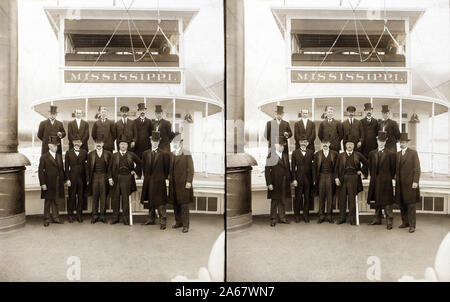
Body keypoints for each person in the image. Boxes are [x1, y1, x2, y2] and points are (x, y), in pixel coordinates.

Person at [141, 131, 171, 229]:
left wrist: (165, 178)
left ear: (159, 142)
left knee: (161, 202)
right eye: (153, 141)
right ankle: (151, 219)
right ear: (150, 141)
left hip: (159, 181)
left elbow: (167, 168)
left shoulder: (164, 154)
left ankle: (163, 221)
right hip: (149, 181)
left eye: (156, 141)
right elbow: (144, 167)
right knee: (150, 200)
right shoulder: (145, 153)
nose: (155, 142)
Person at [367, 131, 397, 230]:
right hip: (375, 180)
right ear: (377, 141)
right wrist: (374, 177)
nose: (381, 143)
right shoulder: (372, 153)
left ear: (385, 142)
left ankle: (389, 220)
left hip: (386, 181)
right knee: (377, 199)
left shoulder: (390, 154)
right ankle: (377, 218)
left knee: (387, 202)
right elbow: (370, 167)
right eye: (379, 141)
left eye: (383, 141)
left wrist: (388, 177)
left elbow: (393, 169)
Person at [109, 135, 141, 225]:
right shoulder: (114, 156)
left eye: (125, 144)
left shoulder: (131, 155)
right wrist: (110, 178)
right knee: (115, 199)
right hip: (116, 178)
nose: (123, 146)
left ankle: (125, 218)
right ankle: (115, 217)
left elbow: (140, 163)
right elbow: (109, 168)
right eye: (121, 144)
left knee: (125, 199)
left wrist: (134, 171)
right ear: (119, 145)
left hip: (127, 178)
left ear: (127, 146)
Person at [335, 139, 368, 225]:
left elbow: (367, 163)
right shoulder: (340, 155)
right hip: (343, 178)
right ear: (345, 145)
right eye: (348, 144)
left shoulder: (358, 154)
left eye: (351, 144)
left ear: (353, 146)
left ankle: (352, 218)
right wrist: (336, 178)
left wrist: (361, 171)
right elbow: (336, 168)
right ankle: (342, 218)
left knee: (352, 199)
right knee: (342, 199)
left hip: (353, 178)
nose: (350, 146)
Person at [395, 132, 421, 233]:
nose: (402, 144)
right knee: (402, 204)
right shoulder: (397, 154)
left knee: (411, 205)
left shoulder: (413, 153)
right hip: (400, 184)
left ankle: (412, 225)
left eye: (404, 142)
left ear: (407, 143)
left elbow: (417, 168)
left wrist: (415, 181)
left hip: (410, 183)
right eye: (401, 142)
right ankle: (405, 222)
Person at [168, 134, 194, 233]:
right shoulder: (172, 154)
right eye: (173, 142)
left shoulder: (187, 153)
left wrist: (189, 181)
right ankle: (178, 222)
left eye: (177, 142)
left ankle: (186, 225)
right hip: (174, 184)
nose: (175, 144)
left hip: (183, 184)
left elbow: (191, 169)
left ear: (181, 143)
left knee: (184, 205)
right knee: (175, 204)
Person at [38, 136, 66, 226]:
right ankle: (46, 219)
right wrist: (42, 183)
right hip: (48, 183)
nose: (56, 147)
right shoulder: (44, 157)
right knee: (48, 201)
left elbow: (62, 169)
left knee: (56, 200)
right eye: (55, 146)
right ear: (50, 146)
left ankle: (55, 217)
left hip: (58, 182)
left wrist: (64, 180)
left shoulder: (58, 156)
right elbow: (40, 171)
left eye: (57, 146)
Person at [265, 136, 291, 227]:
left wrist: (289, 180)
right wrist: (269, 183)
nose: (282, 147)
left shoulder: (285, 156)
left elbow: (288, 169)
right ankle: (273, 219)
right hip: (275, 183)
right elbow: (267, 171)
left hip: (284, 182)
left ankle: (282, 217)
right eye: (281, 145)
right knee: (275, 201)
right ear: (276, 146)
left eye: (283, 146)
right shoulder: (271, 156)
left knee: (282, 200)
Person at [87, 135, 112, 224]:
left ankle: (102, 215)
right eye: (97, 143)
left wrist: (109, 178)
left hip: (104, 177)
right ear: (95, 144)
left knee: (103, 197)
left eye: (100, 143)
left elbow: (110, 167)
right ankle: (94, 215)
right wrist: (88, 179)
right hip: (94, 177)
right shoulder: (91, 154)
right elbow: (88, 168)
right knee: (95, 197)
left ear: (103, 144)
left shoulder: (108, 154)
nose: (98, 145)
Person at [314, 136, 338, 223]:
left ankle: (329, 215)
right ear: (321, 144)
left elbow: (336, 167)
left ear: (329, 144)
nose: (325, 145)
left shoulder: (334, 154)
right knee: (321, 197)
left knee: (330, 197)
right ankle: (321, 215)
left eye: (327, 143)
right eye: (323, 143)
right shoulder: (317, 154)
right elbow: (314, 168)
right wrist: (314, 179)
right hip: (320, 177)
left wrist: (336, 177)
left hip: (330, 177)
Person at [65, 136, 88, 223]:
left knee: (81, 197)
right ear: (73, 143)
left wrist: (87, 179)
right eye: (75, 142)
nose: (77, 144)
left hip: (82, 178)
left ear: (81, 143)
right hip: (72, 178)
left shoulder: (85, 152)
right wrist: (67, 179)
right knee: (72, 197)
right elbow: (66, 167)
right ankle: (70, 215)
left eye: (79, 142)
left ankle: (79, 215)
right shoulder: (68, 153)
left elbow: (87, 167)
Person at [291, 135, 314, 223]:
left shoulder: (311, 152)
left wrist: (313, 179)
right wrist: (294, 179)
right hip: (298, 178)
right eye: (302, 142)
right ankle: (297, 215)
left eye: (305, 142)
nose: (303, 143)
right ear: (299, 143)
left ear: (308, 143)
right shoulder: (295, 153)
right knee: (298, 197)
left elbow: (313, 166)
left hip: (308, 178)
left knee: (307, 198)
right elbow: (292, 167)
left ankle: (306, 215)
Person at [134, 103, 153, 178]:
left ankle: (146, 175)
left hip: (147, 145)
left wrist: (151, 144)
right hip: (138, 145)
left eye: (143, 110)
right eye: (141, 110)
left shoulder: (149, 121)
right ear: (138, 111)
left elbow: (151, 133)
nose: (142, 111)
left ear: (145, 111)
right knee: (138, 160)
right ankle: (138, 175)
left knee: (147, 161)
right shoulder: (135, 122)